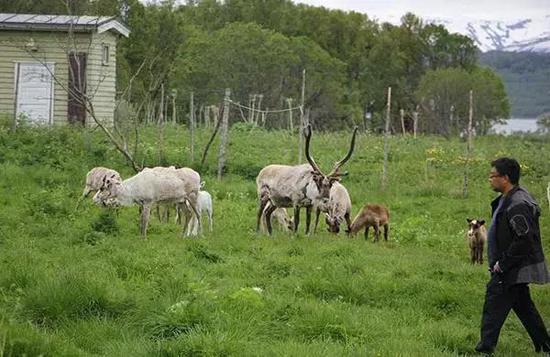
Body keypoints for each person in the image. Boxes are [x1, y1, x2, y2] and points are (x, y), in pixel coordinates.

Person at [476, 157, 550, 354]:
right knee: (524, 306)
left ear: (506, 178)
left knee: (494, 301)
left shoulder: (518, 203)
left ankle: (485, 348)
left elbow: (524, 239)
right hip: (513, 265)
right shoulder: (508, 198)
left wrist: (503, 263)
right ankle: (545, 345)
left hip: (513, 266)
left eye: (493, 176)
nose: (489, 179)